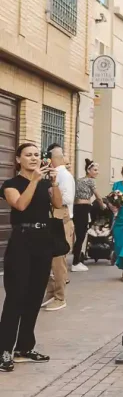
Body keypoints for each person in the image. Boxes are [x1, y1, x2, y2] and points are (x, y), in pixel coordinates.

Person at [0, 143, 60, 372]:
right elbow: (20, 205)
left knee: (35, 296)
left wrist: (53, 183)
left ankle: (25, 347)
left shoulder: (45, 183)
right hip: (21, 242)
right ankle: (4, 349)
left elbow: (57, 204)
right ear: (18, 159)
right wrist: (35, 181)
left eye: (37, 154)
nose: (34, 158)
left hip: (43, 241)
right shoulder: (10, 185)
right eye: (28, 155)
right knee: (16, 297)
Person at [42, 144, 75, 312]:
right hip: (53, 221)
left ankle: (60, 297)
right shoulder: (55, 174)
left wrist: (50, 192)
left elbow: (67, 198)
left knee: (58, 264)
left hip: (61, 221)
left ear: (53, 159)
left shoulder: (64, 175)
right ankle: (51, 294)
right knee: (50, 262)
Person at [72, 159, 105, 272]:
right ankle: (76, 262)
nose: (97, 172)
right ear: (88, 170)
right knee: (81, 236)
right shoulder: (91, 181)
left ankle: (78, 256)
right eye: (95, 170)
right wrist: (102, 206)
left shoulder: (78, 180)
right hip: (84, 208)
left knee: (78, 235)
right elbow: (98, 196)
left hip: (76, 208)